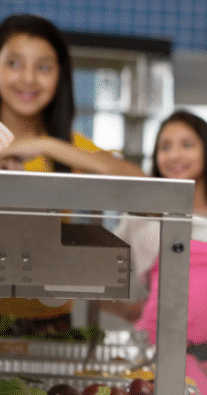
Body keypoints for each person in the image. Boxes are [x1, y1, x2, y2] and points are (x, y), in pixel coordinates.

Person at [0, 13, 143, 336]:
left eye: (44, 67)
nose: (29, 78)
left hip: (48, 328)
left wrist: (47, 144)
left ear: (60, 76)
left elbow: (140, 183)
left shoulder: (66, 150)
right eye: (14, 63)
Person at [106, 110, 207, 345]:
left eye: (187, 145)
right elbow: (97, 267)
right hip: (154, 348)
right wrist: (126, 310)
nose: (174, 156)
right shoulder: (142, 218)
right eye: (165, 147)